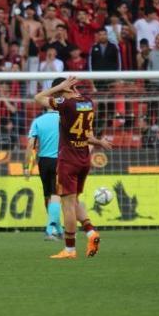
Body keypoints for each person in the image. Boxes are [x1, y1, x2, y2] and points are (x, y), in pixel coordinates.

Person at [35, 76, 113, 259]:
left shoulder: (66, 103)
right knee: (75, 201)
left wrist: (59, 87)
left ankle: (69, 249)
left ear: (63, 89)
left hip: (68, 159)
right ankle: (91, 232)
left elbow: (38, 98)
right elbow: (88, 136)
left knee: (67, 205)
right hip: (84, 158)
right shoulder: (88, 102)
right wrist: (99, 142)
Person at [27, 107, 63, 241]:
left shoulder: (38, 120)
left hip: (43, 162)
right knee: (56, 195)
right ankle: (49, 230)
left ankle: (57, 230)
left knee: (47, 195)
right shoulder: (64, 119)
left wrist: (27, 166)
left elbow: (30, 145)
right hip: (59, 161)